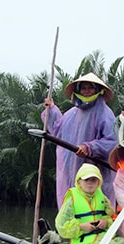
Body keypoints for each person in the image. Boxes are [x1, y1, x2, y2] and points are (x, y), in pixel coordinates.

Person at [42, 72, 117, 208]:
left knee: (95, 208)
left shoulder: (105, 113)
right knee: (72, 207)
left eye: (90, 87)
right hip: (71, 170)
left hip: (94, 171)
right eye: (83, 88)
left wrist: (90, 148)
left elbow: (112, 143)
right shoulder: (71, 114)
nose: (86, 91)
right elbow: (58, 132)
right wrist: (51, 110)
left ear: (98, 90)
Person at [54, 163, 124, 244]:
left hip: (103, 239)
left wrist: (105, 221)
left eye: (94, 180)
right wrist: (81, 226)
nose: (90, 183)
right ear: (79, 182)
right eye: (86, 180)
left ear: (98, 182)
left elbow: (111, 217)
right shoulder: (72, 199)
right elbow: (61, 226)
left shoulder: (102, 197)